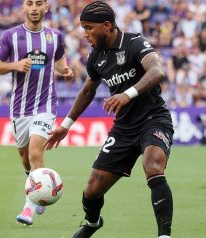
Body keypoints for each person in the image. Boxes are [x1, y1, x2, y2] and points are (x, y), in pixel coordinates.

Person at [43, 2, 174, 237]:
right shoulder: (96, 57)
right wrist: (65, 126)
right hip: (123, 129)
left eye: (88, 28)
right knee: (91, 191)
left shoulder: (135, 43)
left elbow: (157, 71)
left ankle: (164, 235)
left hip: (153, 119)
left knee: (153, 166)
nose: (85, 34)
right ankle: (93, 223)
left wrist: (128, 93)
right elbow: (87, 92)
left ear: (106, 26)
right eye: (83, 28)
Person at [0, 0, 74, 226]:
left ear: (46, 7)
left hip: (45, 105)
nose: (34, 8)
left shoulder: (55, 36)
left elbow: (58, 63)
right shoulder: (10, 35)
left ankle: (29, 208)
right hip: (19, 107)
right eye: (30, 3)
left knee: (36, 153)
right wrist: (15, 65)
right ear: (23, 8)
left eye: (39, 3)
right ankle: (36, 186)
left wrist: (65, 71)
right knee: (25, 158)